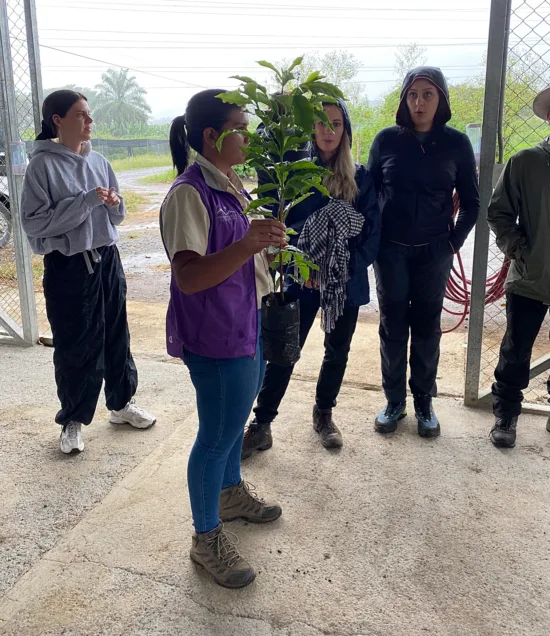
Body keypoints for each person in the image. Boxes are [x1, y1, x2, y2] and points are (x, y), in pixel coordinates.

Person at [160, 89, 286, 589]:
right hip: (214, 335)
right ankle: (205, 536)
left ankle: (230, 493)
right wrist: (247, 242)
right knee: (215, 436)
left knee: (235, 421)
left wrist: (266, 249)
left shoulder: (229, 182)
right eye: (240, 126)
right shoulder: (188, 193)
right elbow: (189, 277)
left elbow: (240, 253)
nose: (248, 136)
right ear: (212, 136)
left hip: (244, 321)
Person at [243, 98, 380, 458]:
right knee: (285, 350)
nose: (327, 130)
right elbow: (281, 224)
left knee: (337, 351)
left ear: (345, 129)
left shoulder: (360, 177)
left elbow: (371, 235)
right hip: (302, 280)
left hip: (344, 282)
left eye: (335, 123)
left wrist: (339, 270)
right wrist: (297, 268)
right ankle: (262, 423)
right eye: (320, 123)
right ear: (311, 129)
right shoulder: (297, 173)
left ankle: (324, 413)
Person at [21, 90, 156, 455]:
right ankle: (73, 420)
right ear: (58, 121)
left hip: (107, 258)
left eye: (89, 114)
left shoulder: (99, 160)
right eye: (81, 115)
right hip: (69, 266)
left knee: (116, 332)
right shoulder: (42, 166)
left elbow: (118, 214)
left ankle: (121, 404)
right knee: (75, 343)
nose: (89, 121)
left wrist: (113, 203)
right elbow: (34, 224)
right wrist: (86, 201)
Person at [368, 66, 479, 438]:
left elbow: (473, 202)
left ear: (441, 100)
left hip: (435, 251)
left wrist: (452, 241)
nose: (419, 102)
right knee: (392, 325)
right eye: (413, 95)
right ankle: (394, 401)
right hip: (392, 253)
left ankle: (424, 401)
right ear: (404, 99)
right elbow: (370, 196)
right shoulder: (386, 141)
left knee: (428, 328)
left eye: (428, 95)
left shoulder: (457, 144)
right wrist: (374, 241)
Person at [487, 86, 550, 448]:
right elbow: (498, 212)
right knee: (516, 350)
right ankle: (506, 414)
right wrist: (520, 251)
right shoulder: (525, 162)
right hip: (529, 276)